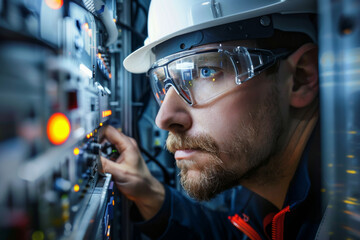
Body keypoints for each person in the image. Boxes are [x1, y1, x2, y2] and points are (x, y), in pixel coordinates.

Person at [100, 0, 324, 239]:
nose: (163, 118)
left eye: (206, 71)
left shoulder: (342, 219)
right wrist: (149, 194)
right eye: (164, 82)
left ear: (300, 78)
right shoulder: (257, 190)